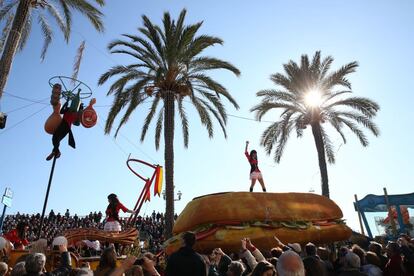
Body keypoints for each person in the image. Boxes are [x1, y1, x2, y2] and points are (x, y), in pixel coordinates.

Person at [46, 95, 84, 161]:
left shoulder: (75, 113)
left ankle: (56, 151)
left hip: (66, 126)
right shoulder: (68, 109)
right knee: (56, 139)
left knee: (55, 138)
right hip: (65, 126)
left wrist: (81, 107)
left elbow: (78, 122)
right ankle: (56, 152)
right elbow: (61, 111)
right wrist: (65, 104)